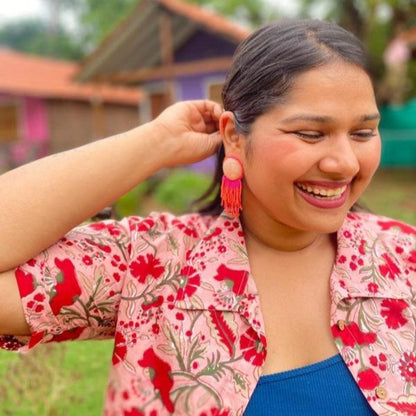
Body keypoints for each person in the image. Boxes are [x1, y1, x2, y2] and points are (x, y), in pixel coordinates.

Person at [0, 18, 415, 416]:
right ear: (234, 136)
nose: (344, 163)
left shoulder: (403, 259)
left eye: (362, 133)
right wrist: (155, 143)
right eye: (310, 133)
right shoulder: (153, 265)